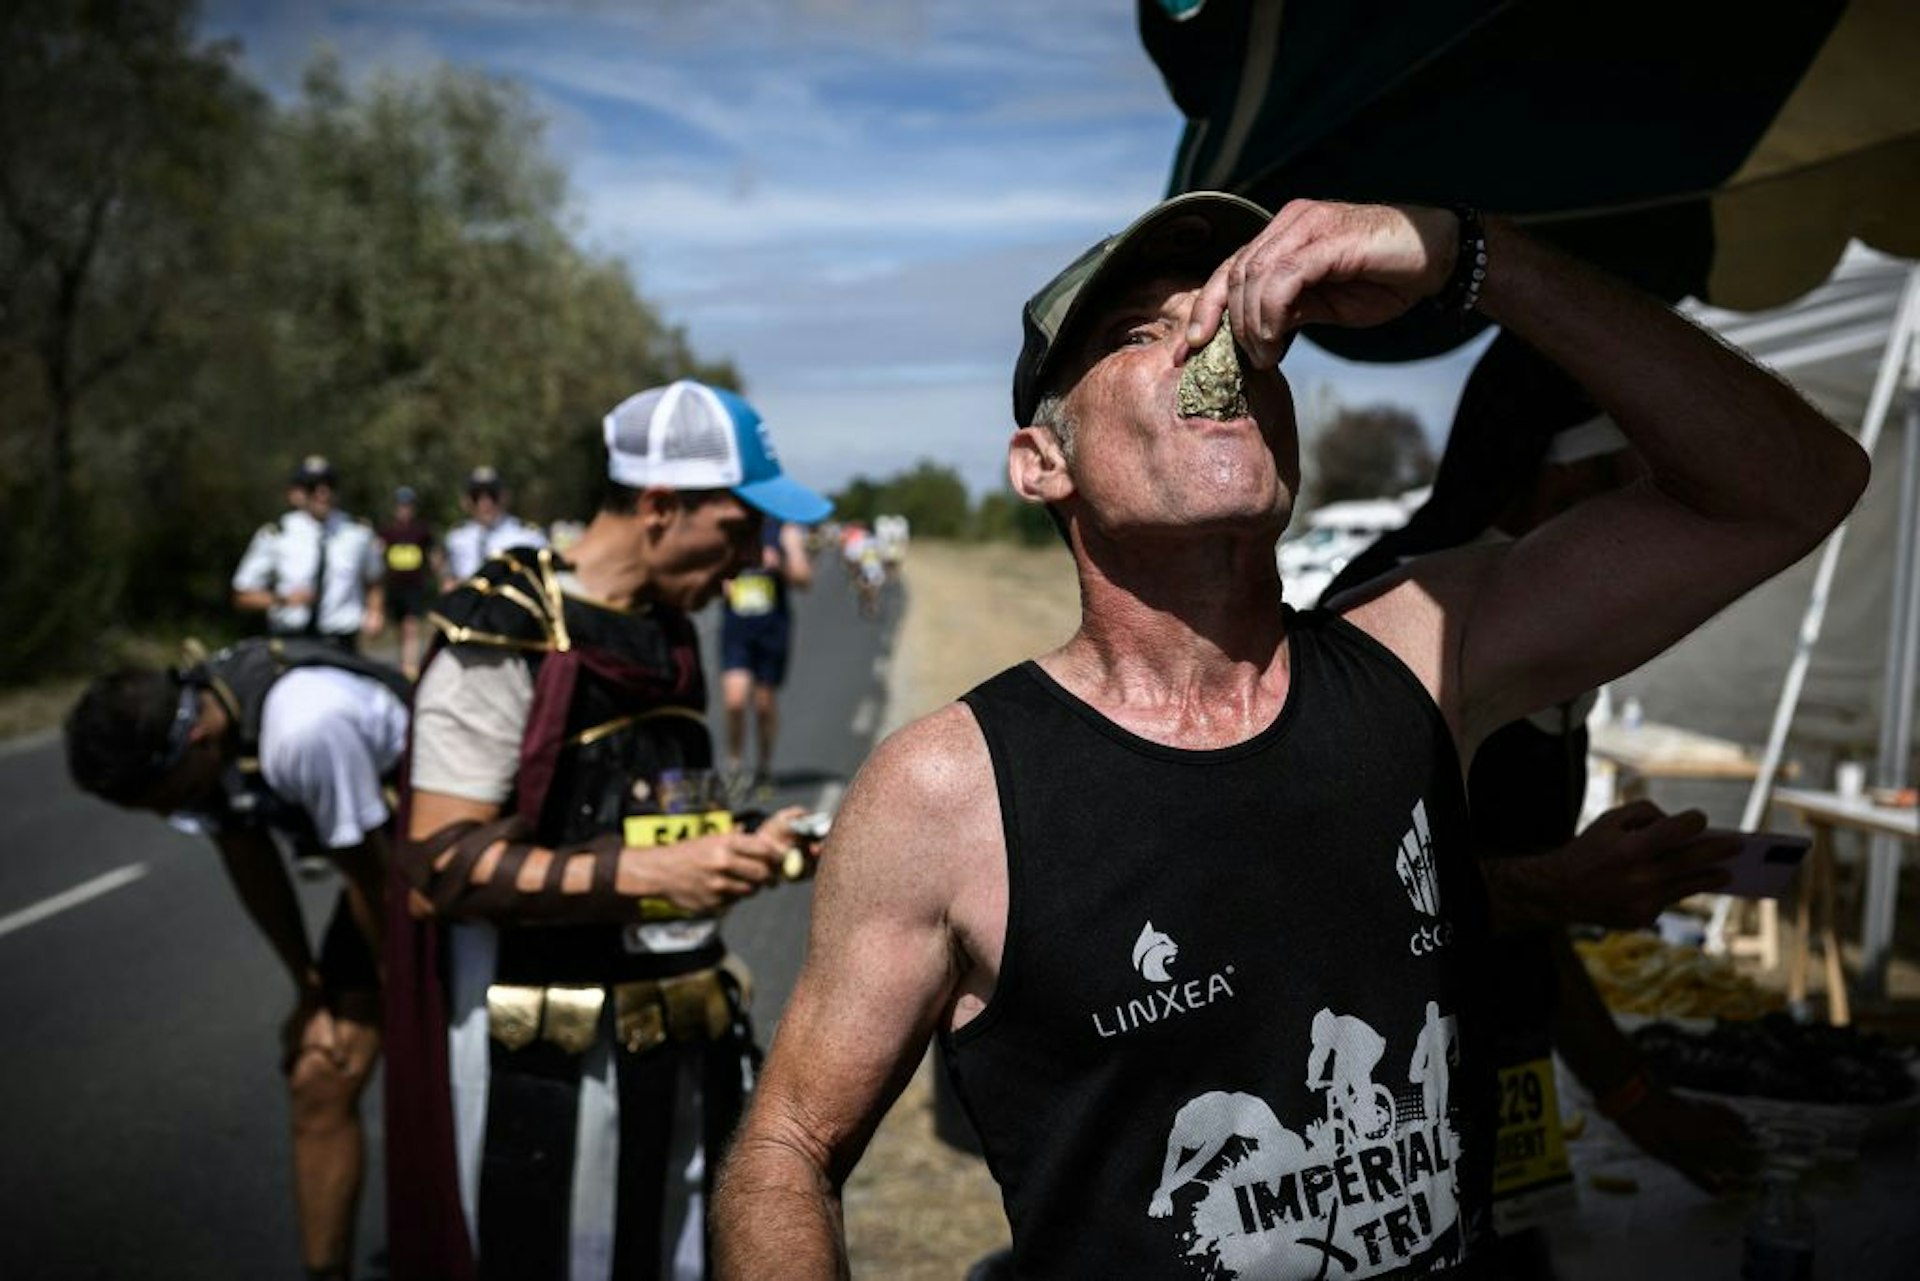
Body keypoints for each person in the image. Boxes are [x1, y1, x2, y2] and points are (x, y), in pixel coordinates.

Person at [712, 194, 1866, 1278]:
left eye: (1226, 320)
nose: (1213, 349)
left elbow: (1795, 487)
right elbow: (787, 1150)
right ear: (1042, 461)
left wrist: (1466, 256)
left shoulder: (1418, 648)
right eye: (1140, 331)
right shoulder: (947, 792)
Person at [384, 378, 833, 1281]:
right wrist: (646, 874)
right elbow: (437, 861)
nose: (747, 561)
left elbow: (636, 808)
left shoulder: (664, 626)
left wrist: (749, 839)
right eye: (737, 531)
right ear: (661, 505)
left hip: (675, 1026)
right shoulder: (504, 622)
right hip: (543, 1050)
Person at [1322, 395, 1756, 1259]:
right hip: (1379, 1107)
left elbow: (1527, 921)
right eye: (1633, 495)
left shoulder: (1555, 629)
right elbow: (1335, 895)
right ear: (1562, 484)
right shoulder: (1404, 622)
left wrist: (1635, 1098)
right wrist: (1559, 884)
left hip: (1496, 1077)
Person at [63, 637, 412, 1281]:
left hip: (440, 855)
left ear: (193, 741)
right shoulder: (205, 729)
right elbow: (245, 853)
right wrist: (308, 990)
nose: (167, 814)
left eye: (162, 798)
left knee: (443, 1076)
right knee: (319, 1073)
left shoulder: (304, 725)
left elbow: (375, 882)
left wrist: (407, 1008)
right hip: (384, 873)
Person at [234, 455, 387, 651]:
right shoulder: (276, 534)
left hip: (340, 643)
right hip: (291, 642)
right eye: (313, 487)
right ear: (297, 494)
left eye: (329, 485)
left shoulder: (358, 533)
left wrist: (375, 612)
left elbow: (375, 578)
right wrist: (284, 600)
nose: (322, 494)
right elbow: (242, 594)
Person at [720, 518, 815, 799]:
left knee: (764, 704)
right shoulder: (732, 523)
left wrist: (781, 565)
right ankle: (735, 764)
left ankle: (764, 766)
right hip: (737, 629)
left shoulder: (784, 530)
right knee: (735, 701)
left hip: (772, 630)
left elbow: (805, 579)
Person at [441, 465, 548, 586]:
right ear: (467, 500)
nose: (486, 503)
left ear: (504, 496)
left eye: (493, 494)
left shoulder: (528, 536)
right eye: (476, 496)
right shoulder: (456, 537)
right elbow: (449, 577)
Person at [379, 485, 439, 678]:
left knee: (411, 625)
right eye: (401, 506)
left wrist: (437, 572)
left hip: (414, 585)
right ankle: (400, 661)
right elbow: (379, 554)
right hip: (394, 585)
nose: (404, 510)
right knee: (398, 626)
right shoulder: (388, 532)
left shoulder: (421, 531)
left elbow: (433, 555)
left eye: (408, 506)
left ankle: (409, 664)